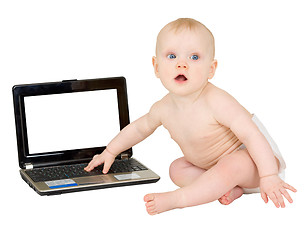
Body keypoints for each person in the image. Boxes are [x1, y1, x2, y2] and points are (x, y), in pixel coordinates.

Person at [84, 18, 296, 215]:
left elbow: (252, 135)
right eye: (172, 56)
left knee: (232, 165)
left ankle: (178, 199)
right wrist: (110, 151)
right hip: (215, 171)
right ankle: (227, 189)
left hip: (256, 165)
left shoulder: (218, 101)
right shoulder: (163, 108)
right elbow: (140, 128)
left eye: (194, 57)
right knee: (177, 169)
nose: (182, 64)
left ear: (210, 69)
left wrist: (269, 176)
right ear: (157, 67)